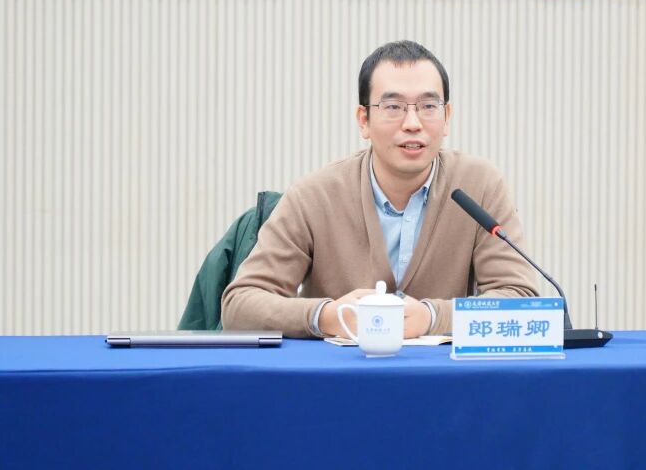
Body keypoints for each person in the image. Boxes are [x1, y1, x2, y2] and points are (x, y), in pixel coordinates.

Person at [221, 40, 538, 338]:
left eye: (428, 106)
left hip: (441, 375)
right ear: (364, 120)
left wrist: (433, 317)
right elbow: (240, 305)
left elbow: (522, 301)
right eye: (393, 107)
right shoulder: (315, 195)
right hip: (340, 373)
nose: (413, 123)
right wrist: (327, 316)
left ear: (447, 117)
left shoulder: (480, 186)